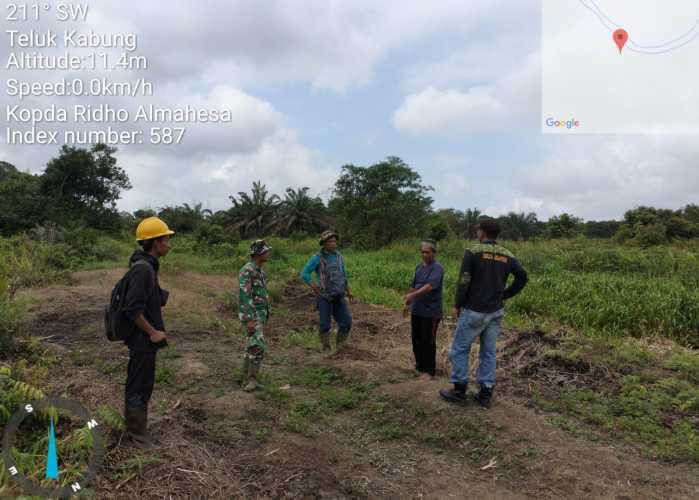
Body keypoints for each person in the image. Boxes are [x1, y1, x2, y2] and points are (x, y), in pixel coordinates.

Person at [439, 218, 528, 408]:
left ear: (483, 232)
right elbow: (522, 276)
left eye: (478, 230)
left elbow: (464, 280)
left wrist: (457, 304)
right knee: (488, 352)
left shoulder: (473, 252)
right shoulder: (507, 254)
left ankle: (459, 390)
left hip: (474, 310)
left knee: (460, 349)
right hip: (495, 311)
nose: (477, 232)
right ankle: (485, 393)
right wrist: (506, 294)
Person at [121, 216, 174, 447]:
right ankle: (137, 435)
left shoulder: (145, 265)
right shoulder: (144, 269)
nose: (169, 244)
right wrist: (153, 332)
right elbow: (131, 308)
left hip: (143, 340)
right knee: (139, 384)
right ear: (155, 243)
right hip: (143, 339)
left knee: (142, 382)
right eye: (166, 239)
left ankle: (137, 427)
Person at [301, 230, 354, 353]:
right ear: (323, 244)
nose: (333, 243)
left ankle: (341, 348)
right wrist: (314, 286)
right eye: (330, 241)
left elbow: (343, 275)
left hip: (339, 296)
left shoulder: (339, 257)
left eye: (334, 241)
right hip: (325, 297)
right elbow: (304, 273)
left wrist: (348, 291)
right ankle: (326, 349)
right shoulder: (317, 258)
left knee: (346, 322)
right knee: (325, 325)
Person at [404, 239, 444, 379]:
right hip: (417, 309)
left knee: (428, 340)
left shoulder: (437, 268)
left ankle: (429, 371)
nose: (424, 255)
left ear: (434, 252)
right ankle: (419, 366)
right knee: (416, 338)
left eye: (427, 252)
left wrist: (413, 295)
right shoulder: (419, 267)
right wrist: (408, 299)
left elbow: (429, 287)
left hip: (431, 311)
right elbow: (414, 285)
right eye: (422, 252)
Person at [238, 239, 272, 391]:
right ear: (258, 254)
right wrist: (250, 319)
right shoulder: (247, 270)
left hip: (260, 314)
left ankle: (245, 377)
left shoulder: (260, 271)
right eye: (266, 251)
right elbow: (245, 295)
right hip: (252, 314)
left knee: (251, 345)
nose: (268, 253)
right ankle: (252, 380)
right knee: (258, 346)